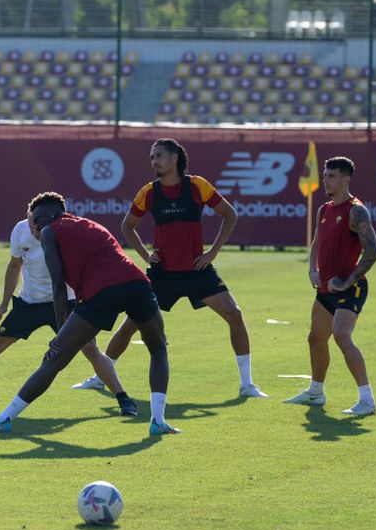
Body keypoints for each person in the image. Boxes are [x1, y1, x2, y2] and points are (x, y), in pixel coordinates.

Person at [73, 138, 266, 398]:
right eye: (152, 157)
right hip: (162, 275)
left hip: (197, 271)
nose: (154, 161)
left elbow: (229, 214)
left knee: (234, 314)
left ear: (175, 158)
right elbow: (127, 226)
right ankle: (99, 377)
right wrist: (145, 255)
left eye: (159, 156)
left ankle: (247, 385)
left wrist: (213, 252)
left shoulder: (198, 185)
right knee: (130, 326)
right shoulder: (148, 192)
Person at [0, 192, 179, 436]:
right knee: (158, 348)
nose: (34, 227)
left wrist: (61, 333)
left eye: (35, 221)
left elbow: (58, 286)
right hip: (137, 284)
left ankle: (4, 418)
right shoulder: (89, 224)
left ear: (48, 216)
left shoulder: (49, 231)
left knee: (54, 358)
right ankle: (158, 421)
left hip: (101, 292)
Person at [0, 210, 138, 417]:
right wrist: (3, 304)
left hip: (64, 302)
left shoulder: (65, 231)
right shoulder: (20, 230)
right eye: (30, 220)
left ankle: (123, 399)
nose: (33, 226)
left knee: (90, 349)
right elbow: (14, 266)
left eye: (36, 222)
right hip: (30, 303)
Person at [285, 157, 376, 415]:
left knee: (341, 335)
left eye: (331, 176)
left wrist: (347, 281)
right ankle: (316, 392)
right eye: (325, 175)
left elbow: (373, 252)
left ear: (346, 179)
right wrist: (312, 270)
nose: (325, 180)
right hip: (325, 290)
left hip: (351, 287)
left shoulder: (356, 211)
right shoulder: (324, 210)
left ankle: (367, 400)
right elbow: (316, 242)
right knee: (316, 339)